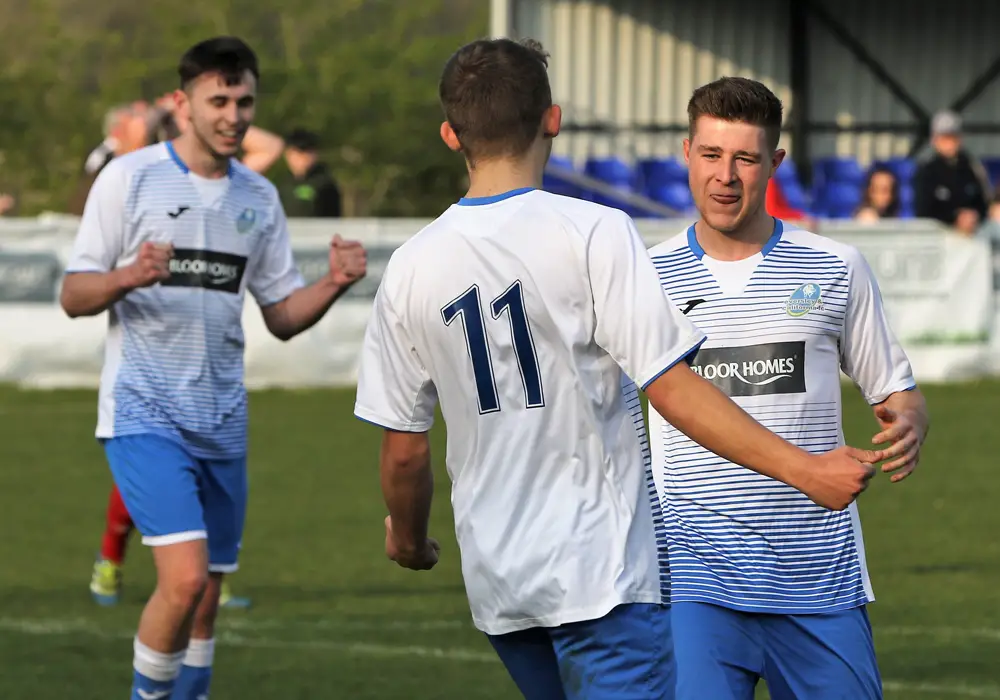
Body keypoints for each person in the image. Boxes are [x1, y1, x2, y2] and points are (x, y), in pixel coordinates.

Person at [353, 39, 885, 700]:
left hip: (501, 584)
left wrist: (408, 540)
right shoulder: (593, 230)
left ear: (448, 134)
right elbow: (670, 387)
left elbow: (404, 453)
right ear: (553, 119)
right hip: (599, 575)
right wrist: (804, 468)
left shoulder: (409, 266)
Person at [60, 36, 367, 700]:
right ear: (183, 103)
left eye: (245, 100)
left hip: (223, 420)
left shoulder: (258, 197)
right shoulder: (131, 178)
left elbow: (282, 315)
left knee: (206, 597)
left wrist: (335, 282)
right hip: (144, 413)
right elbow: (73, 295)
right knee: (185, 579)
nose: (234, 114)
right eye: (219, 99)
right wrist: (128, 275)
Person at [646, 77, 930, 700]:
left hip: (817, 580)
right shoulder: (647, 277)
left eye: (746, 158)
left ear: (774, 162)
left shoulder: (835, 265)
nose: (726, 176)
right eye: (713, 155)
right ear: (686, 153)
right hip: (693, 582)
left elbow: (894, 392)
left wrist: (908, 423)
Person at [87, 91, 287, 614]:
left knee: (198, 568)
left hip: (213, 390)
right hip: (144, 367)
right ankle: (112, 560)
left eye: (245, 99)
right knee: (149, 464)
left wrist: (212, 111)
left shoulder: (232, 179)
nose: (142, 115)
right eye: (132, 111)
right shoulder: (117, 166)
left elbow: (269, 149)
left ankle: (196, 574)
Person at [914, 110, 991, 235]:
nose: (949, 142)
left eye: (953, 137)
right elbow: (923, 212)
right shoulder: (926, 171)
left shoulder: (971, 167)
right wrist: (955, 217)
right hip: (941, 234)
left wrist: (974, 216)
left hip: (973, 232)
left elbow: (983, 203)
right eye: (944, 137)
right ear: (934, 140)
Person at [279, 128, 343, 218]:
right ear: (287, 155)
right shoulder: (281, 184)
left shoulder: (324, 184)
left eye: (308, 153)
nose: (303, 159)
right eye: (297, 154)